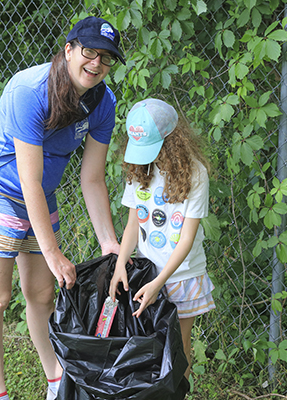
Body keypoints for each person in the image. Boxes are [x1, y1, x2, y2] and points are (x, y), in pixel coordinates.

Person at [0, 16, 125, 400]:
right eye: (89, 52)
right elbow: (27, 179)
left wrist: (110, 243)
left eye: (106, 58)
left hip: (40, 199)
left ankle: (57, 386)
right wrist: (53, 252)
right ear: (68, 50)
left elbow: (92, 179)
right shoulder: (29, 89)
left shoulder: (104, 102)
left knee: (41, 295)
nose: (96, 64)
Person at [108, 98, 216, 379]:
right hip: (147, 272)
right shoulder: (139, 168)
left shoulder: (196, 174)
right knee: (148, 345)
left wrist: (161, 282)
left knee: (178, 347)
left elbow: (187, 238)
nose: (147, 157)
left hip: (181, 275)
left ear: (172, 139)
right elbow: (133, 222)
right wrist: (121, 264)